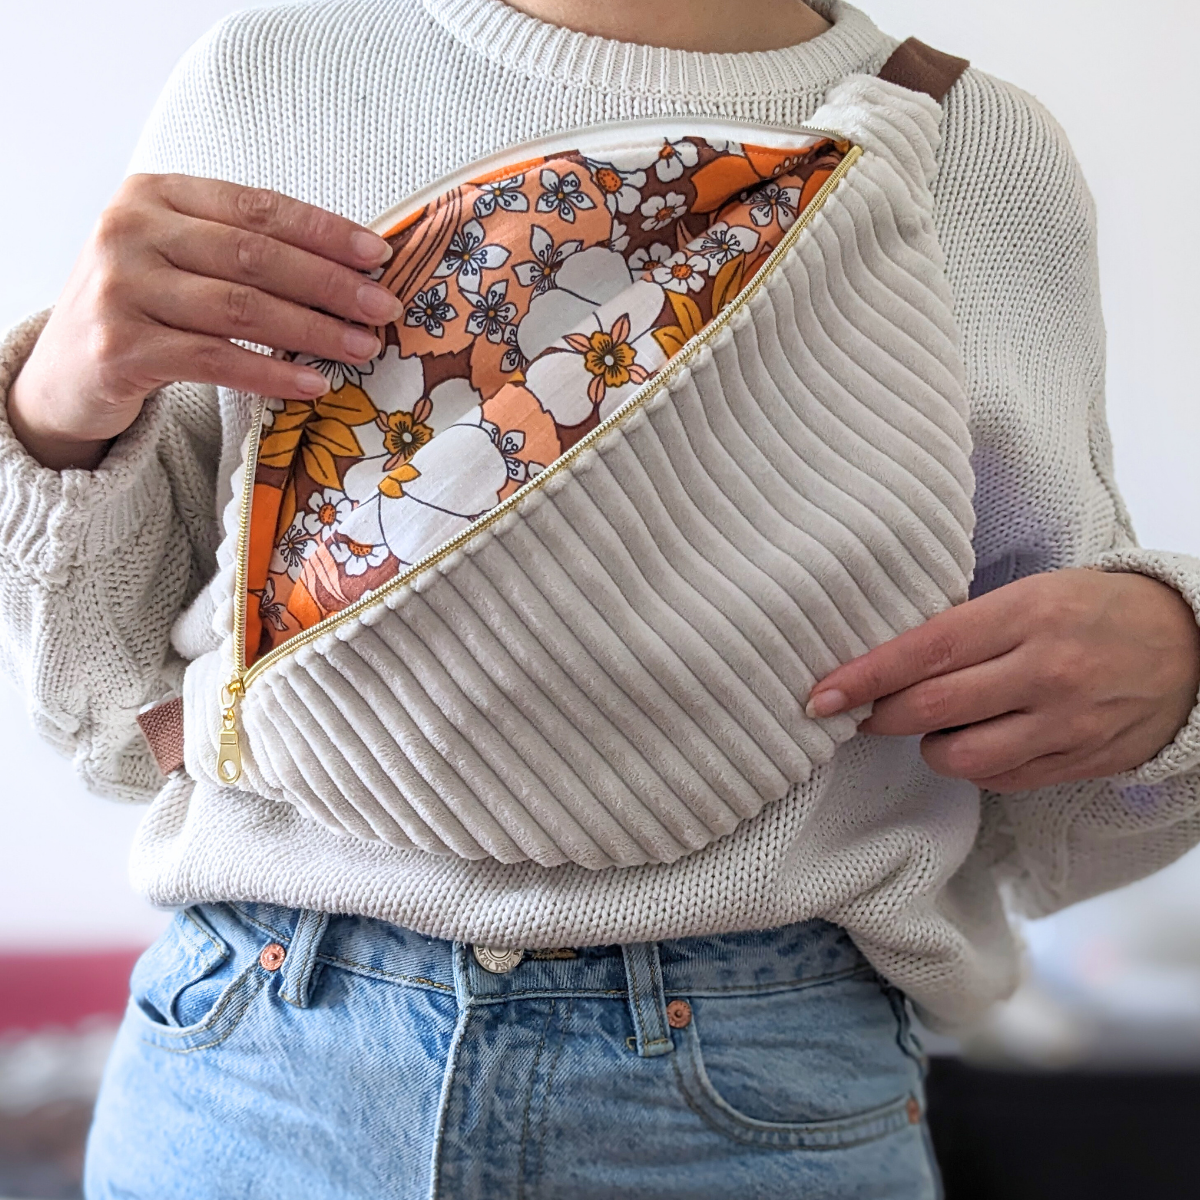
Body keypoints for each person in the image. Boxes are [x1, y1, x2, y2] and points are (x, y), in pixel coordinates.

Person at [2, 0, 1198, 1195]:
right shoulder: (269, 78)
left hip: (756, 1080)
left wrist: (1175, 661)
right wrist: (57, 404)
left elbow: (1050, 814)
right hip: (258, 1056)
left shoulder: (985, 156)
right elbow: (115, 727)